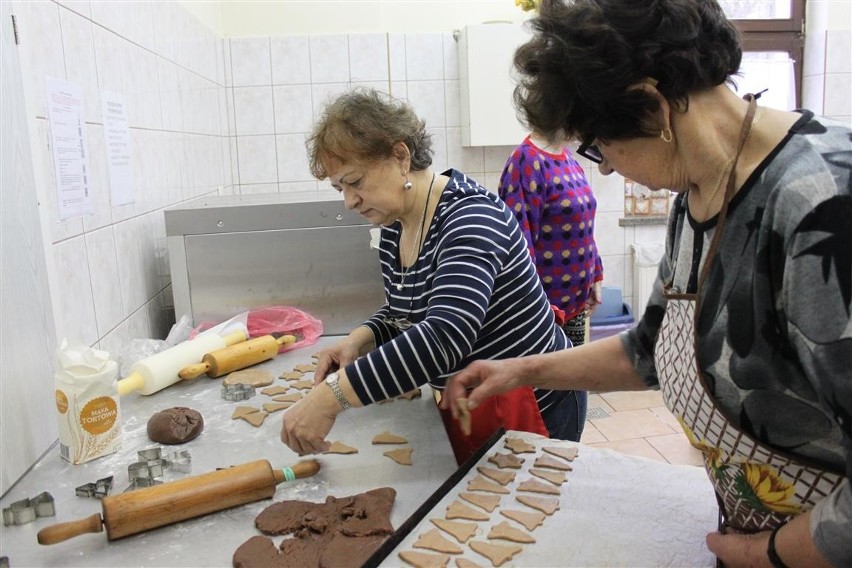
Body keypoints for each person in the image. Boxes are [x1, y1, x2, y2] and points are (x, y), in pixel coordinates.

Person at [442, 1, 851, 567]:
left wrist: (770, 554)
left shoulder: (821, 205)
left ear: (653, 106)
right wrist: (521, 369)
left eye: (598, 146)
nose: (604, 167)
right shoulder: (697, 196)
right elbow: (650, 352)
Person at [280, 88, 587, 464]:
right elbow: (407, 311)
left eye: (355, 181)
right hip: (475, 403)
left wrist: (333, 397)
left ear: (401, 156)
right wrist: (360, 340)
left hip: (534, 405)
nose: (349, 201)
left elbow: (445, 334)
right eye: (339, 188)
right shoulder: (396, 222)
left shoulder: (470, 218)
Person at [498, 133, 604, 348]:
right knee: (548, 380)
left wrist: (596, 274)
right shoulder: (525, 161)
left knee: (569, 379)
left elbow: (583, 224)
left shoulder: (567, 156)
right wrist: (535, 310)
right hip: (543, 314)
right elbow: (518, 245)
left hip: (574, 307)